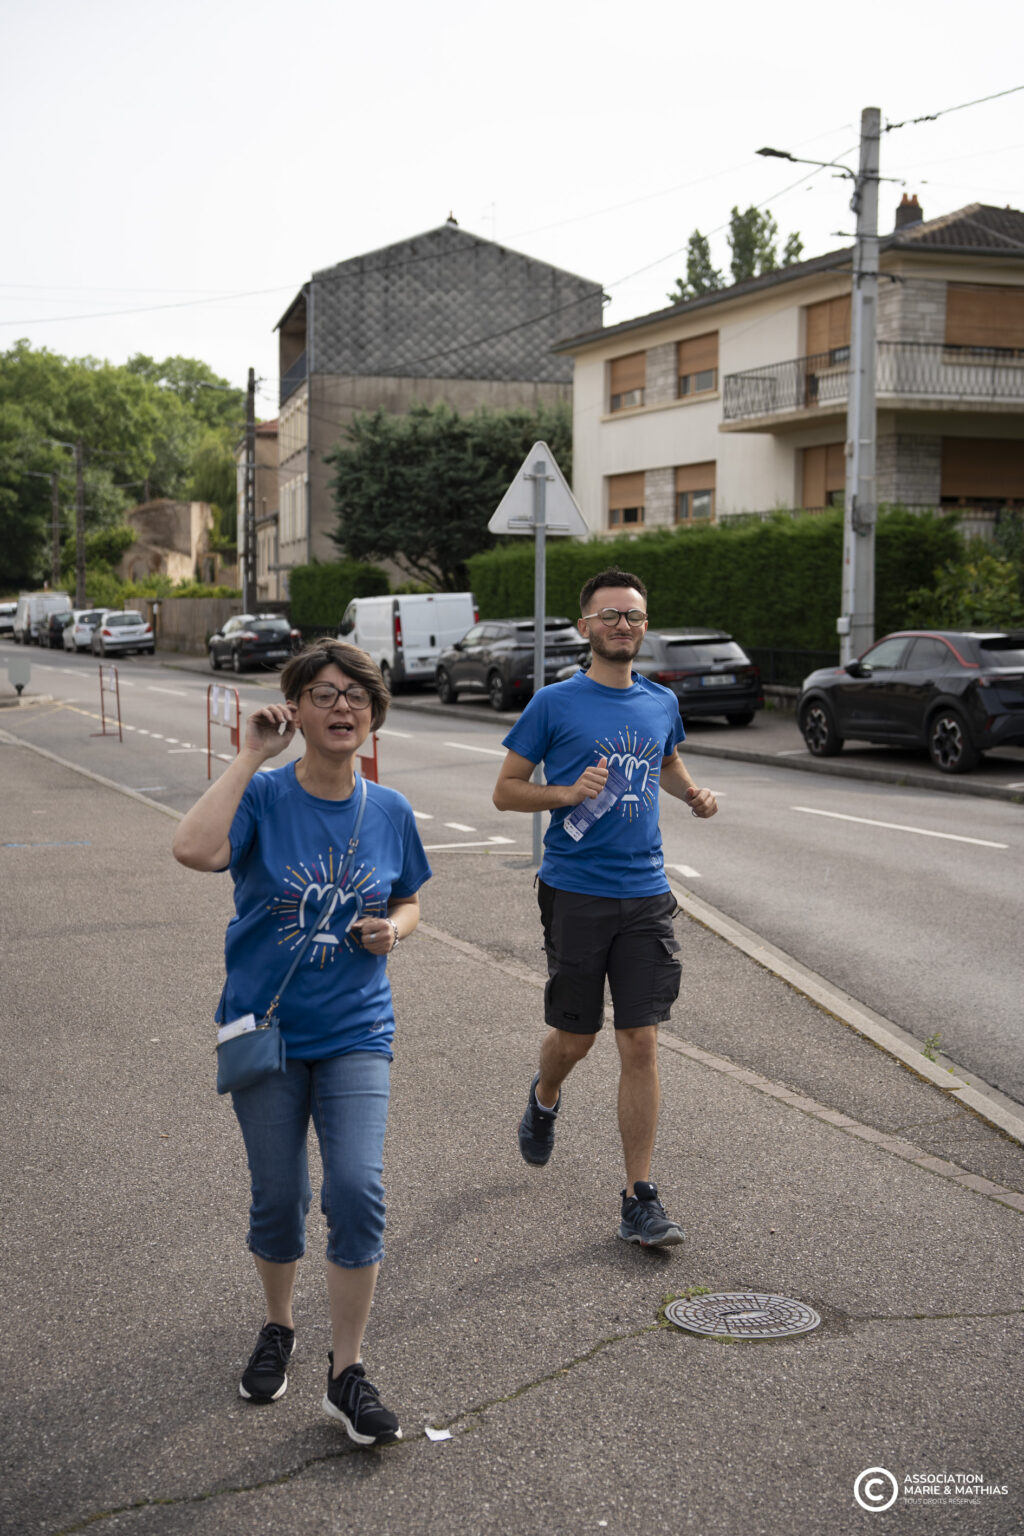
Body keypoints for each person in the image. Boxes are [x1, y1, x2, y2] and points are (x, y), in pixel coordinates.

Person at [172, 639, 430, 1446]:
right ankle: (279, 1325)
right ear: (295, 710)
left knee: (355, 1189)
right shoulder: (263, 796)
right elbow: (194, 849)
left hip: (357, 1029)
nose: (342, 706)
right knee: (278, 1195)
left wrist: (395, 929)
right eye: (323, 693)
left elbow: (410, 898)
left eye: (356, 694)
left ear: (374, 712)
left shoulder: (389, 810)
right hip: (268, 1031)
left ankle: (346, 1372)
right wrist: (251, 754)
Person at [492, 569, 717, 1248]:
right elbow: (506, 790)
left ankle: (638, 1198)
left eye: (634, 616)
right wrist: (565, 793)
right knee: (576, 1040)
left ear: (645, 627)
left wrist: (693, 793)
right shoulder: (554, 704)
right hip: (576, 891)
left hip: (646, 892)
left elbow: (665, 761)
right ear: (585, 626)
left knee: (640, 1041)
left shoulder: (660, 702)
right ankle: (544, 1097)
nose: (624, 625)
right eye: (611, 615)